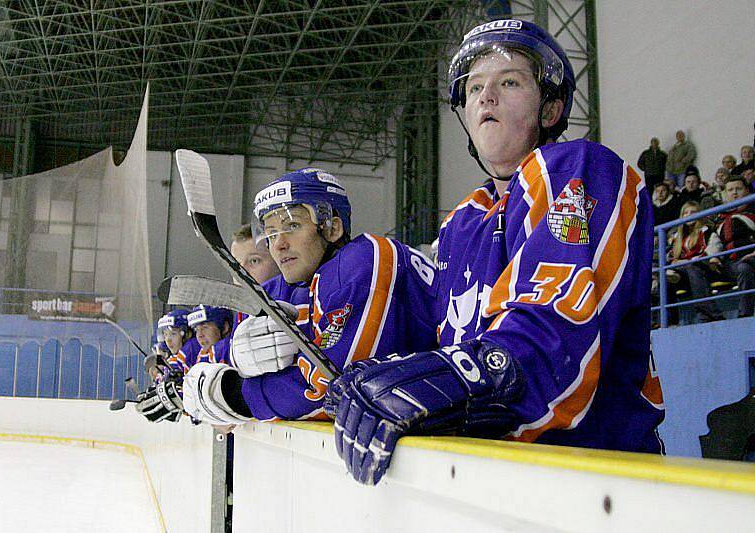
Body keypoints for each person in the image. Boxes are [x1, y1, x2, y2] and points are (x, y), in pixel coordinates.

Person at [323, 19, 664, 486]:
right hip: (490, 480)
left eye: (509, 82)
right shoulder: (462, 221)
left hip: (601, 483)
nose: (485, 97)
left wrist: (469, 375)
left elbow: (555, 338)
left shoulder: (583, 168)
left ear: (551, 109)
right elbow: (422, 338)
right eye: (474, 88)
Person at [181, 168, 439, 426]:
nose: (278, 244)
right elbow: (239, 344)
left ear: (333, 228)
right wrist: (236, 358)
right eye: (270, 233)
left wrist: (235, 395)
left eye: (292, 226)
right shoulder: (296, 284)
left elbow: (337, 390)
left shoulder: (366, 260)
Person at [666, 201, 723, 323]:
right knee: (663, 277)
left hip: (704, 268)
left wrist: (687, 261)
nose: (689, 215)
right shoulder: (677, 237)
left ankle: (712, 314)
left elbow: (714, 248)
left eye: (693, 212)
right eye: (685, 213)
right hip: (683, 272)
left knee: (693, 267)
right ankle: (670, 321)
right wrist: (675, 263)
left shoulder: (706, 231)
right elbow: (671, 257)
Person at [709, 175, 755, 317]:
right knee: (695, 268)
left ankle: (744, 314)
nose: (734, 193)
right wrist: (713, 257)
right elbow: (714, 241)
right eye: (730, 190)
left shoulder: (753, 211)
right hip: (729, 263)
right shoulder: (720, 218)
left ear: (747, 191)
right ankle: (710, 315)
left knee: (744, 268)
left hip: (749, 259)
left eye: (738, 189)